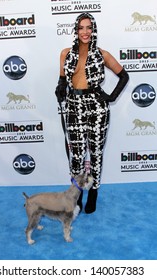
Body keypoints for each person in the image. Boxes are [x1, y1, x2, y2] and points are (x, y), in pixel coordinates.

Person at [55, 12, 129, 214]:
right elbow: (63, 79)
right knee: (77, 155)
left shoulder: (102, 54)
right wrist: (60, 88)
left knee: (95, 153)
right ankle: (77, 193)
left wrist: (111, 97)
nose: (85, 32)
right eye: (81, 28)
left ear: (93, 29)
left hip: (97, 107)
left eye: (89, 27)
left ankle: (94, 192)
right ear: (76, 30)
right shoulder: (66, 54)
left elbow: (123, 76)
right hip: (73, 106)